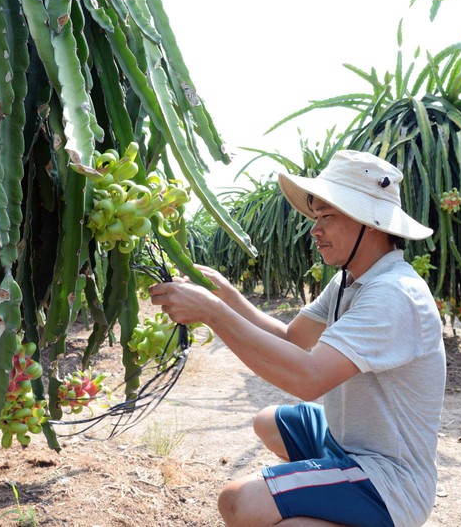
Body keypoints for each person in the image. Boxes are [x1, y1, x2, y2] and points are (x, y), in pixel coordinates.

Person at [149, 150, 446, 527]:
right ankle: (331, 488)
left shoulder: (392, 293)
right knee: (268, 421)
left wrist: (211, 312)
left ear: (370, 222)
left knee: (239, 503)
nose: (315, 229)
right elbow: (292, 339)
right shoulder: (349, 281)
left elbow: (308, 379)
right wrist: (226, 295)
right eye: (315, 216)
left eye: (327, 216)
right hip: (349, 442)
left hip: (389, 479)